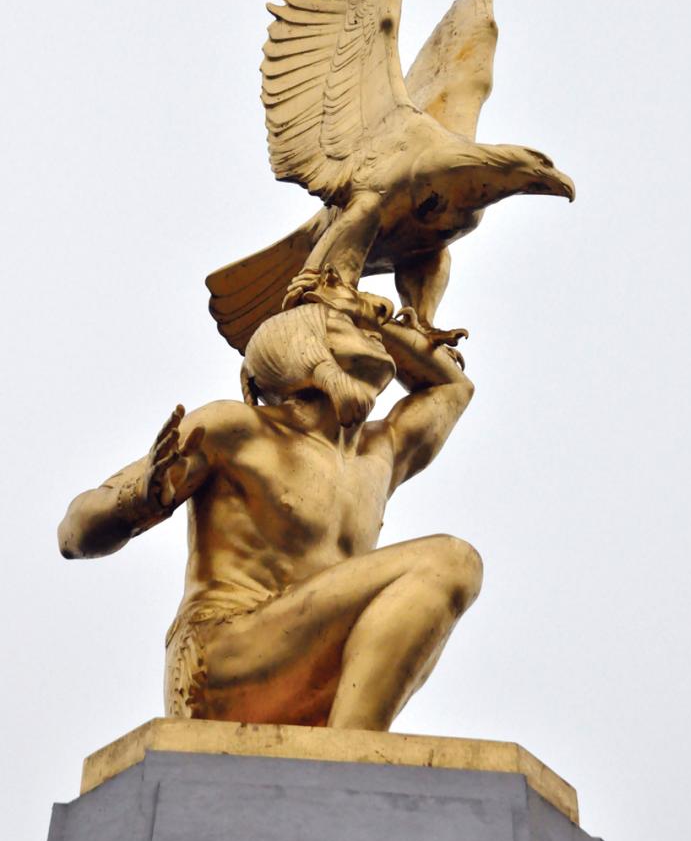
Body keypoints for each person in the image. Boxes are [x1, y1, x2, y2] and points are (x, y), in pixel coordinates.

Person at [58, 279, 482, 731]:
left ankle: (348, 762)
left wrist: (361, 312)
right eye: (351, 327)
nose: (374, 329)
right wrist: (142, 494)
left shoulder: (382, 451)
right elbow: (73, 533)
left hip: (306, 673)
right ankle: (349, 764)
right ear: (308, 348)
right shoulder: (236, 428)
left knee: (445, 570)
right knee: (450, 560)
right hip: (220, 660)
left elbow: (454, 388)